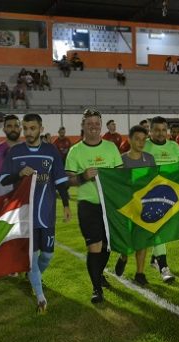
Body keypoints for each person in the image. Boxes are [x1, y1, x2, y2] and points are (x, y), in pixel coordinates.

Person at [0, 114, 72, 313]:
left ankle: (33, 275)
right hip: (25, 215)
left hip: (46, 213)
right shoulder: (15, 152)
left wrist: (66, 205)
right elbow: (4, 180)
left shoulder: (51, 151)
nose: (29, 132)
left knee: (47, 255)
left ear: (40, 129)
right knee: (32, 257)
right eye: (26, 128)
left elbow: (59, 181)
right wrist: (19, 174)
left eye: (33, 128)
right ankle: (40, 296)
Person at [65, 108, 123, 303]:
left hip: (109, 206)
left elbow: (120, 175)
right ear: (83, 125)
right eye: (89, 123)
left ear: (101, 125)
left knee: (107, 247)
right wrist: (83, 176)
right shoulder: (75, 151)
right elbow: (67, 180)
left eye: (96, 123)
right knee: (94, 246)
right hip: (88, 205)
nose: (93, 127)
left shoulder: (111, 148)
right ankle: (96, 288)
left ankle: (98, 274)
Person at [116, 116, 179, 283]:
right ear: (150, 131)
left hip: (165, 197)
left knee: (157, 231)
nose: (160, 133)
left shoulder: (174, 146)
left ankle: (160, 266)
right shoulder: (144, 146)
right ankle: (125, 256)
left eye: (163, 130)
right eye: (156, 130)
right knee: (131, 238)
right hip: (138, 199)